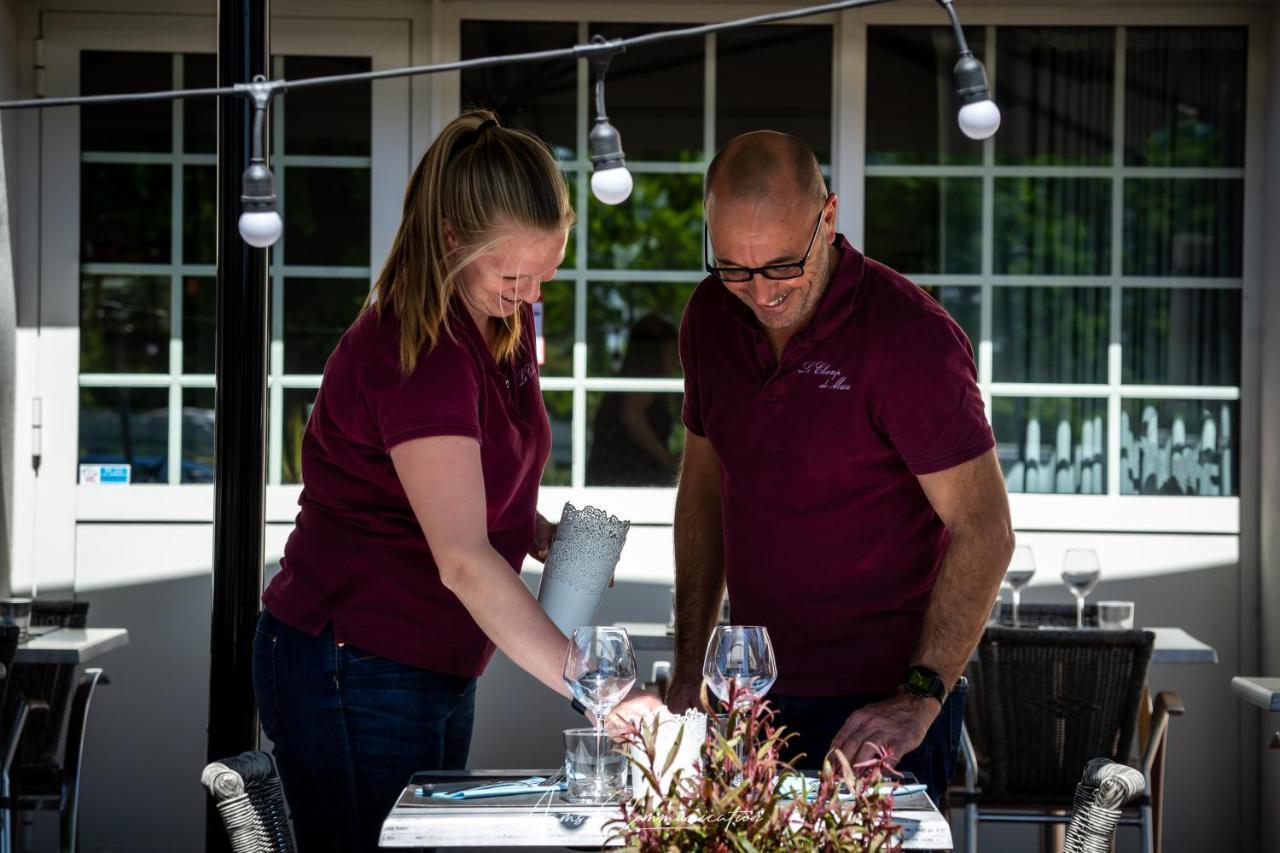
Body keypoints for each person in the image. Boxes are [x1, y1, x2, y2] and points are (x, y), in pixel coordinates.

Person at [253, 110, 660, 852]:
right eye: (514, 274)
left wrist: (529, 528)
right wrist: (602, 690)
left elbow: (460, 486)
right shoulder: (419, 349)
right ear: (449, 237)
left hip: (431, 657)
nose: (532, 294)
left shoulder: (496, 326)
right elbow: (463, 559)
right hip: (354, 659)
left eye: (546, 273)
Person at [665, 130, 1014, 804]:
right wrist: (688, 667)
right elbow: (703, 495)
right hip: (749, 700)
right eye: (733, 266)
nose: (758, 293)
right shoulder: (709, 317)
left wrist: (919, 697)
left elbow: (986, 528)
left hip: (881, 709)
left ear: (827, 219)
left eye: (779, 267)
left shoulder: (908, 336)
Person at [586, 313, 681, 486]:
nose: (678, 357)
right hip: (626, 480)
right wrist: (667, 460)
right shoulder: (643, 377)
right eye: (674, 348)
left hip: (613, 478)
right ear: (659, 350)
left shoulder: (631, 380)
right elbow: (632, 416)